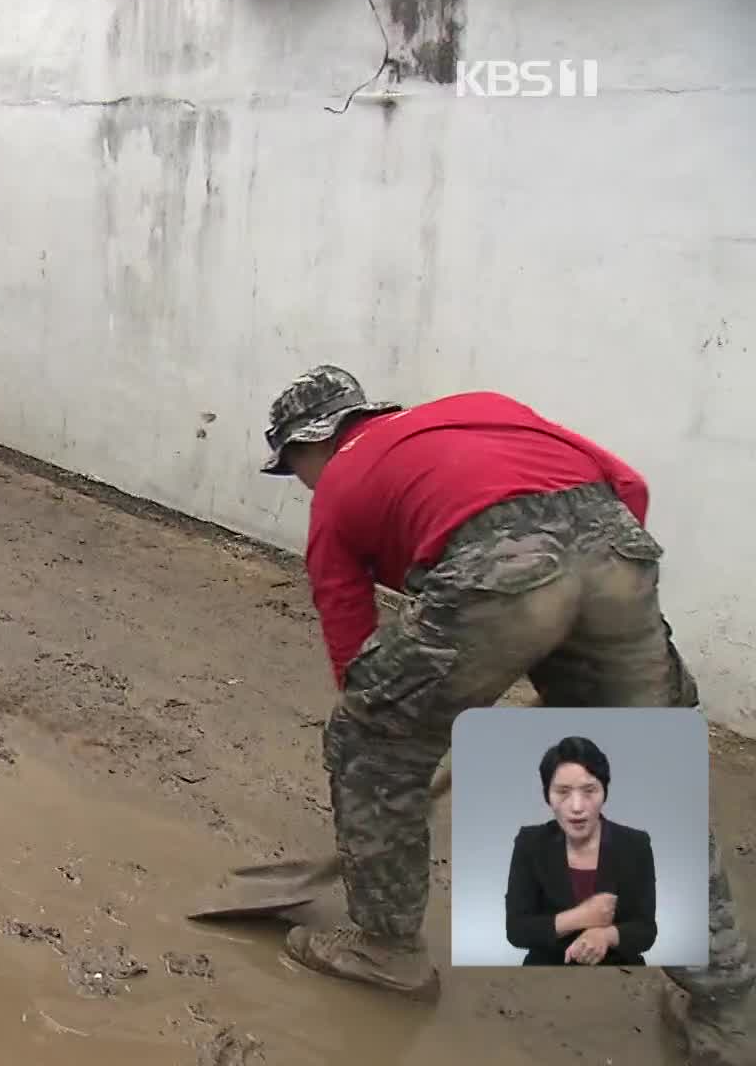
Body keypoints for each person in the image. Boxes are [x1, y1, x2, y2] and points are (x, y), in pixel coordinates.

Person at [262, 365, 752, 1063]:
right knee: (644, 768)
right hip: (617, 556)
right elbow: (626, 488)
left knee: (370, 746)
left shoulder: (340, 485)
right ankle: (724, 1008)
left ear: (312, 444)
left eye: (293, 468)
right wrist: (572, 630)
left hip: (495, 567)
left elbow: (350, 628)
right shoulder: (478, 409)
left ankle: (387, 950)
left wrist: (393, 728)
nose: (301, 482)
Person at [505, 736, 657, 966]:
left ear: (604, 793)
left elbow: (646, 931)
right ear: (548, 796)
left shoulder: (635, 844)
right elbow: (516, 930)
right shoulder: (530, 843)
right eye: (562, 792)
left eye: (589, 790)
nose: (577, 807)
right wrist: (580, 917)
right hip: (548, 969)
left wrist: (605, 936)